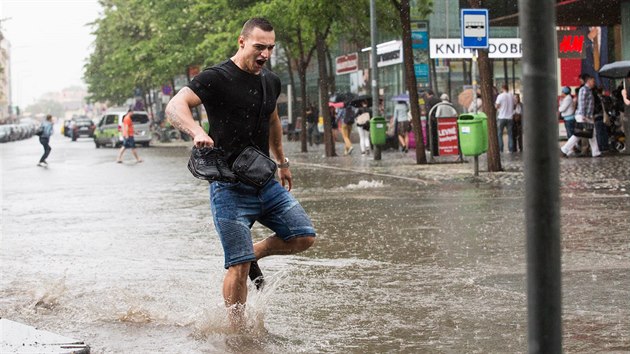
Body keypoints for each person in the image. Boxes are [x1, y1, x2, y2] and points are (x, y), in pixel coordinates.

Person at [165, 18, 316, 327]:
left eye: (271, 48)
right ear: (242, 42)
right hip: (228, 187)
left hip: (264, 181)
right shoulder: (215, 78)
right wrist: (195, 131)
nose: (265, 54)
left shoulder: (270, 81)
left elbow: (273, 119)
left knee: (303, 236)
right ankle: (237, 333)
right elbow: (175, 105)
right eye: (259, 47)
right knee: (239, 269)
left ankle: (254, 252)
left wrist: (283, 162)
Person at [561, 74, 601, 158]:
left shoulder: (588, 90)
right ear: (589, 81)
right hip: (583, 116)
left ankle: (596, 152)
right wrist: (583, 116)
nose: (594, 83)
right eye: (593, 81)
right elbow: (582, 103)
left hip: (587, 116)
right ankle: (564, 149)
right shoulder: (584, 90)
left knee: (591, 134)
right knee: (579, 134)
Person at [495, 84, 516, 153]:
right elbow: (514, 106)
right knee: (510, 134)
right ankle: (510, 149)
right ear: (507, 88)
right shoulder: (512, 96)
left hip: (501, 117)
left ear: (502, 88)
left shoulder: (500, 96)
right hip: (510, 117)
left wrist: (499, 107)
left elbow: (497, 106)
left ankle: (501, 150)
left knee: (499, 134)